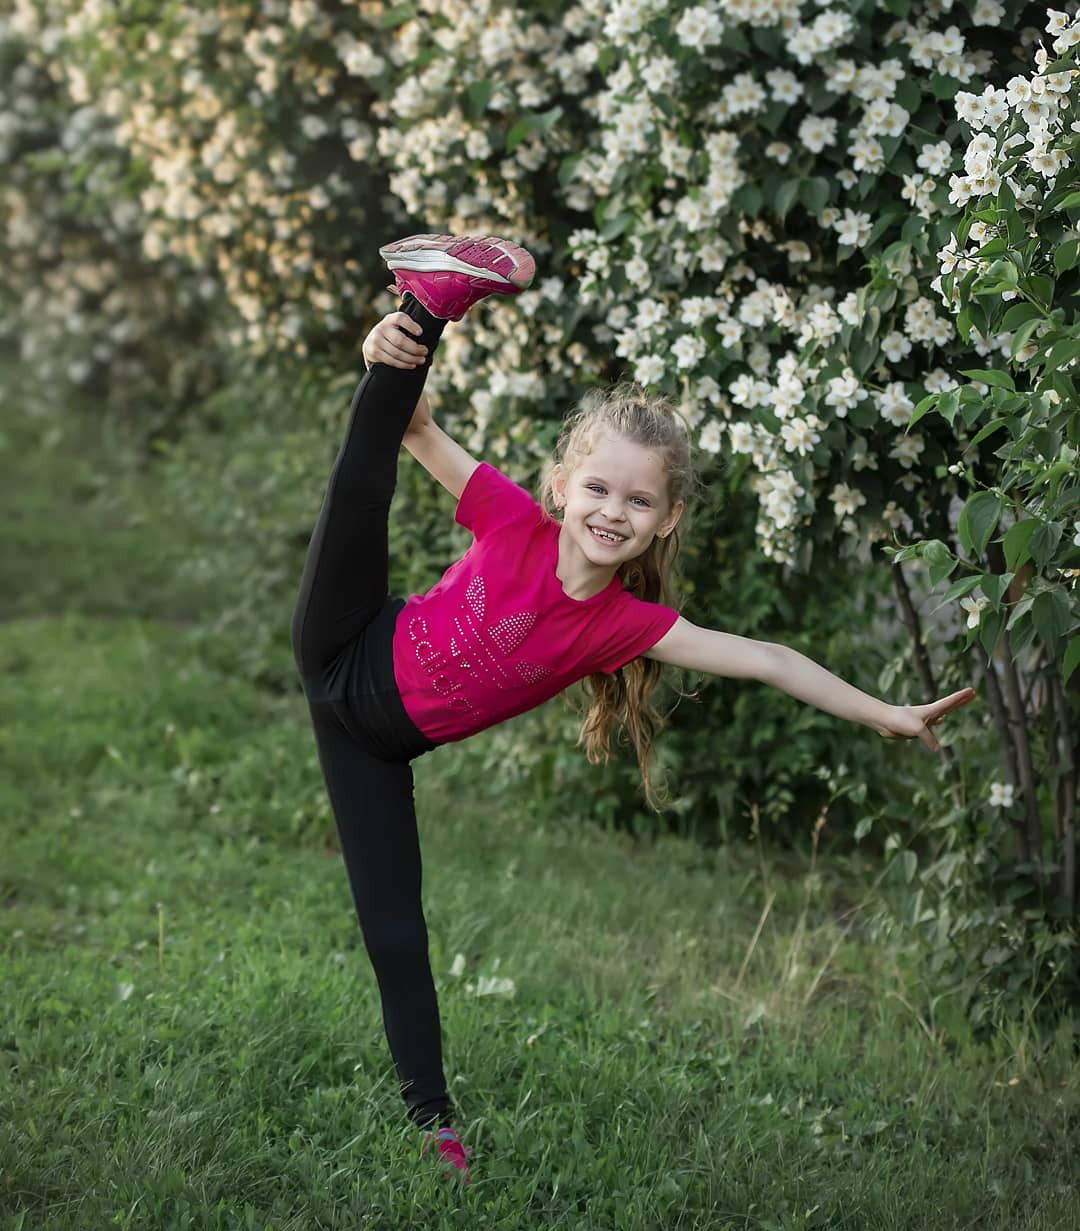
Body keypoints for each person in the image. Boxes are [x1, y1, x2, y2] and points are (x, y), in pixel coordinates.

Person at [289, 233, 976, 1185]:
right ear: (563, 487)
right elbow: (411, 433)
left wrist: (886, 713)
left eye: (639, 502)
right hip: (344, 638)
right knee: (360, 485)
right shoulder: (512, 519)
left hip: (372, 750)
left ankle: (433, 1122)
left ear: (666, 520)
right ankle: (429, 301)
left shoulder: (624, 626)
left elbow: (769, 659)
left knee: (397, 935)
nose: (613, 512)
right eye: (599, 489)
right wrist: (389, 353)